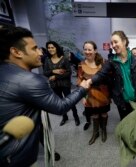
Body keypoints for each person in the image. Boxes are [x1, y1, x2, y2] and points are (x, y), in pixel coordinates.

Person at [0, 25, 87, 167]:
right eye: (34, 48)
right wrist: (83, 88)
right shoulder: (29, 80)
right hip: (13, 159)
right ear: (16, 52)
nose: (40, 52)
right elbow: (60, 106)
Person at [85, 31, 136, 120]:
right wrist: (90, 80)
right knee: (125, 125)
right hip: (122, 102)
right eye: (112, 43)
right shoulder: (112, 61)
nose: (113, 45)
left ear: (124, 41)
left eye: (115, 42)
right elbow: (101, 73)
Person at [77, 41, 111, 145]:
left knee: (104, 113)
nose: (87, 52)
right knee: (94, 114)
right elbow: (80, 81)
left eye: (90, 49)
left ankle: (104, 130)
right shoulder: (80, 65)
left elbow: (109, 78)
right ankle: (95, 132)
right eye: (85, 49)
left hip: (104, 94)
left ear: (95, 50)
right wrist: (83, 97)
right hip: (90, 95)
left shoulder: (103, 63)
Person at [43, 41, 80, 126]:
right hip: (54, 85)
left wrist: (56, 76)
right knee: (59, 102)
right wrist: (53, 71)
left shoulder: (64, 59)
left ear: (56, 48)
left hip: (65, 84)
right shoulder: (47, 60)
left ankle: (76, 116)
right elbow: (45, 72)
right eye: (49, 48)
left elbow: (69, 72)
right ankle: (65, 117)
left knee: (70, 101)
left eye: (52, 47)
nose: (50, 49)